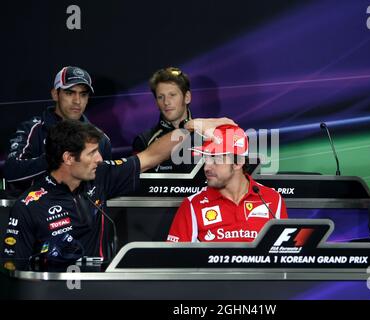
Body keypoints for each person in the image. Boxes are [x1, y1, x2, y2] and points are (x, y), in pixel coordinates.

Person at [1, 117, 234, 267]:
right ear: (68, 158)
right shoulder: (28, 207)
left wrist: (187, 127)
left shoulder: (101, 176)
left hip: (103, 290)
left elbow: (151, 156)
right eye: (92, 153)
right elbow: (14, 272)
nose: (100, 159)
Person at [167, 125, 288, 243]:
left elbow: (284, 254)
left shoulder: (273, 199)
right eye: (206, 158)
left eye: (215, 158)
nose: (206, 167)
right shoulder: (192, 205)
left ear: (238, 162)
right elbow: (173, 259)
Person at [4, 66, 112, 195]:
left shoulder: (101, 138)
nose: (77, 101)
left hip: (82, 213)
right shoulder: (32, 129)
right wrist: (56, 157)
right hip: (40, 211)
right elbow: (11, 172)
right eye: (69, 93)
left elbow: (104, 186)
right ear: (55, 94)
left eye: (83, 94)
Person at [132, 67, 194, 173]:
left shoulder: (209, 136)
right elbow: (137, 185)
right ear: (156, 102)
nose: (166, 102)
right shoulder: (144, 141)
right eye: (160, 97)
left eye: (172, 95)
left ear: (187, 97)